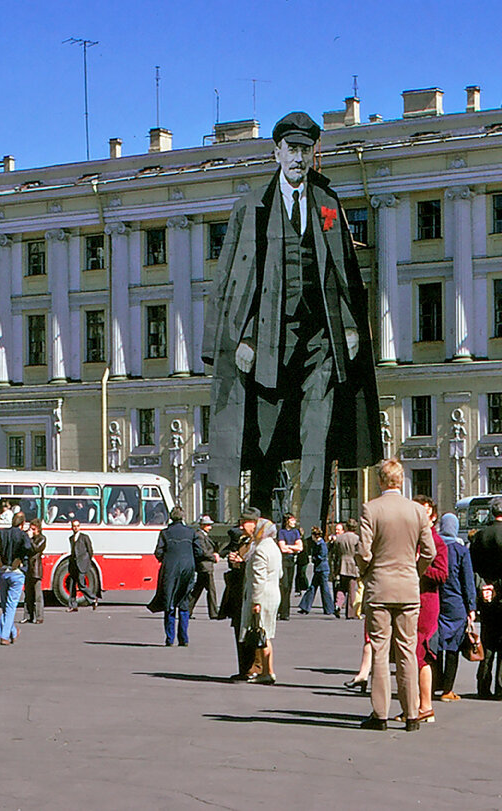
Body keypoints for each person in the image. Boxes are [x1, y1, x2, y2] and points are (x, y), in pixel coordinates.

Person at [201, 111, 381, 532]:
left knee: (317, 438)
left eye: (306, 149)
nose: (299, 157)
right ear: (276, 152)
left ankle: (313, 531)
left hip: (321, 341)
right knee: (264, 439)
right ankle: (260, 525)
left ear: (313, 152)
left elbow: (345, 272)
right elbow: (228, 279)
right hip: (267, 340)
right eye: (292, 149)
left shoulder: (328, 204)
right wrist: (234, 340)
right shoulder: (251, 208)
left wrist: (352, 327)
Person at [355, 459, 435, 731]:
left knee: (379, 650)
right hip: (409, 589)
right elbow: (430, 552)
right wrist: (415, 571)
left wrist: (366, 572)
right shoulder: (417, 511)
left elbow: (364, 552)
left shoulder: (371, 509)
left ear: (380, 481)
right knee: (408, 650)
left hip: (380, 587)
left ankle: (380, 714)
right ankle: (412, 713)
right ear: (401, 481)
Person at [469, 496, 502, 700]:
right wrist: (496, 588)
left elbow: (472, 568)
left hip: (486, 597)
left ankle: (483, 684)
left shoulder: (479, 536)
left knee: (488, 639)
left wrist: (484, 587)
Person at [148, 507, 210, 647]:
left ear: (171, 517)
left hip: (170, 569)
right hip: (187, 569)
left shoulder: (165, 533)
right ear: (183, 517)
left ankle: (170, 638)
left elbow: (158, 552)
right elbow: (199, 552)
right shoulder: (191, 532)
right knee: (184, 603)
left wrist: (167, 559)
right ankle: (184, 638)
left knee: (169, 603)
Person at [411, 494, 448, 724]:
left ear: (433, 517)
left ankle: (425, 706)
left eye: (425, 512)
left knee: (419, 655)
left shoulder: (437, 542)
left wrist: (420, 566)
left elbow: (442, 574)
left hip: (426, 602)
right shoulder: (412, 538)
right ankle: (415, 705)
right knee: (411, 656)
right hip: (410, 600)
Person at [434, 512, 476, 702]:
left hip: (436, 600)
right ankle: (448, 690)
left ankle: (435, 682)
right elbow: (468, 581)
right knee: (453, 647)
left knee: (437, 644)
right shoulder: (461, 551)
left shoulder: (434, 547)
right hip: (456, 603)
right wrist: (471, 606)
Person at [241, 515, 281, 684]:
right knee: (267, 634)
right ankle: (267, 670)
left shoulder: (260, 550)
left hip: (262, 595)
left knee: (262, 635)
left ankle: (268, 672)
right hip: (273, 592)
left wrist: (255, 601)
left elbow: (258, 578)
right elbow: (280, 574)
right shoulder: (273, 547)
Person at [222, 509, 260, 680]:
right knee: (239, 631)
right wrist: (234, 559)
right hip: (238, 592)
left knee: (254, 632)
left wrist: (242, 562)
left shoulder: (259, 542)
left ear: (254, 523)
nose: (242, 526)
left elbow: (258, 567)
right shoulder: (242, 540)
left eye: (245, 522)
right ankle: (243, 668)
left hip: (251, 592)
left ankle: (255, 668)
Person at [0, 512, 33, 645]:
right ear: (22, 524)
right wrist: (20, 558)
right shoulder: (22, 535)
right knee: (11, 606)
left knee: (5, 605)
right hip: (17, 572)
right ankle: (4, 636)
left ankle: (13, 632)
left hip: (3, 571)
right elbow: (28, 547)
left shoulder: (2, 533)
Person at [297, 527, 336, 615]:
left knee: (324, 589)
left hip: (322, 569)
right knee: (313, 588)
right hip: (319, 569)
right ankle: (305, 606)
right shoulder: (318, 544)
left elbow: (322, 556)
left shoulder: (321, 544)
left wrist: (314, 558)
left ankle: (329, 608)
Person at [188, 515, 220, 619]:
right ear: (202, 525)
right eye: (208, 525)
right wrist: (213, 557)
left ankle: (187, 611)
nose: (210, 527)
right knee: (211, 591)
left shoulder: (202, 535)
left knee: (197, 590)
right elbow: (202, 552)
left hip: (205, 566)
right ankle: (214, 613)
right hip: (204, 566)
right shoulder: (199, 535)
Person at [66, 520, 100, 610]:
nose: (75, 528)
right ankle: (73, 605)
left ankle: (93, 598)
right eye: (74, 526)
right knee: (72, 585)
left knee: (81, 584)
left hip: (82, 564)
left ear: (79, 527)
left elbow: (90, 551)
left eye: (77, 526)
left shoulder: (85, 537)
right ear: (71, 527)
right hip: (73, 565)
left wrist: (87, 562)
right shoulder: (70, 538)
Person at [330, 518, 360, 618]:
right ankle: (350, 613)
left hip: (342, 564)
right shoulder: (356, 539)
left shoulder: (340, 538)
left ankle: (338, 604)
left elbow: (335, 552)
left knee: (341, 587)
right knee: (352, 590)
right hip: (353, 564)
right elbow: (360, 552)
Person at [275, 514, 302, 621]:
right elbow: (282, 548)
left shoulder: (296, 532)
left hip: (291, 560)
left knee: (289, 586)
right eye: (292, 520)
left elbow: (300, 547)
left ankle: (286, 612)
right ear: (287, 521)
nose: (294, 522)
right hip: (283, 560)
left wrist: (289, 547)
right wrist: (293, 548)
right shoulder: (281, 532)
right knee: (284, 585)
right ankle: (281, 610)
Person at [23, 519, 47, 624]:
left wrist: (30, 539)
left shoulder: (42, 538)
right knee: (28, 594)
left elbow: (36, 549)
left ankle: (39, 617)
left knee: (38, 595)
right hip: (28, 568)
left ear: (38, 529)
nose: (31, 531)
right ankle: (28, 616)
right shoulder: (29, 538)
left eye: (33, 529)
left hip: (36, 569)